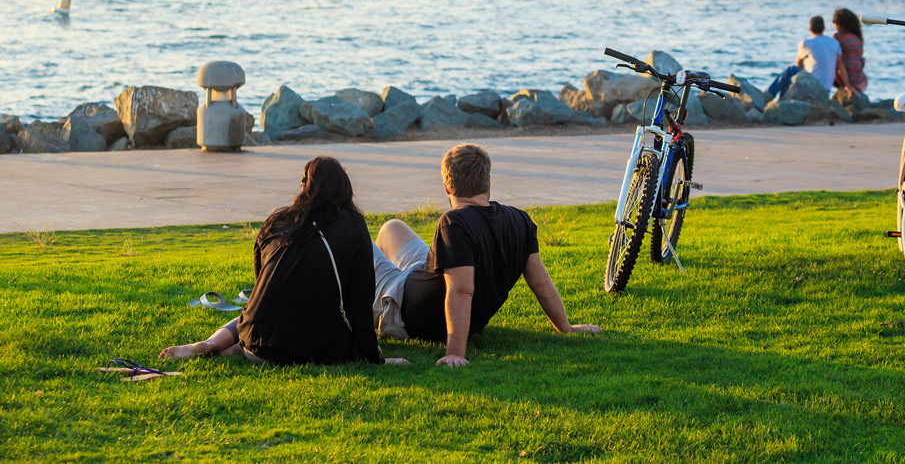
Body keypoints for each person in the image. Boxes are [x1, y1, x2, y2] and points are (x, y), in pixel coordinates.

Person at [371, 144, 599, 366]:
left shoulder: (454, 222)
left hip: (401, 308)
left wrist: (455, 353)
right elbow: (541, 281)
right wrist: (565, 327)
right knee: (392, 227)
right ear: (488, 181)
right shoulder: (520, 220)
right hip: (420, 277)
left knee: (364, 242)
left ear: (447, 188)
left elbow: (461, 291)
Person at [161, 156, 400, 366]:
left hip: (256, 343)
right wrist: (371, 356)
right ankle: (234, 349)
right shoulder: (354, 224)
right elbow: (359, 298)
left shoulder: (276, 220)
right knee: (316, 323)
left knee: (250, 314)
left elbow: (260, 289)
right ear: (343, 189)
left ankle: (211, 344)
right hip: (313, 351)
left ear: (304, 187)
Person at [768, 15, 842, 98]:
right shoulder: (835, 42)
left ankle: (771, 95)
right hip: (827, 90)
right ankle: (781, 99)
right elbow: (840, 65)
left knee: (791, 70)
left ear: (810, 29)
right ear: (824, 28)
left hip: (813, 86)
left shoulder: (806, 42)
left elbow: (799, 64)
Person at [831, 8, 868, 96]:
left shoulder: (837, 37)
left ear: (839, 24)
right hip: (860, 79)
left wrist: (848, 86)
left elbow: (838, 63)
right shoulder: (858, 38)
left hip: (846, 79)